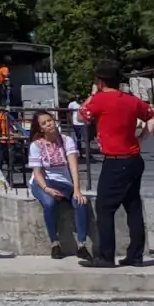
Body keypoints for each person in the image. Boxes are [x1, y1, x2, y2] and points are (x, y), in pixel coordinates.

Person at [81, 61, 154, 268]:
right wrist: (143, 137)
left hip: (116, 160)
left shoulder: (100, 99)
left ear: (100, 81)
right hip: (134, 159)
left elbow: (82, 114)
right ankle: (135, 255)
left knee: (104, 208)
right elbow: (153, 113)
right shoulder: (131, 100)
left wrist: (93, 94)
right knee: (133, 206)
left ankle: (106, 256)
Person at [26, 108, 92, 262]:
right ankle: (54, 244)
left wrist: (77, 190)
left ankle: (82, 245)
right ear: (40, 129)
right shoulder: (36, 145)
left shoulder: (66, 140)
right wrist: (47, 189)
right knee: (49, 203)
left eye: (50, 120)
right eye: (44, 123)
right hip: (43, 182)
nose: (49, 124)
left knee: (80, 202)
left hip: (63, 182)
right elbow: (37, 173)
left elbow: (74, 167)